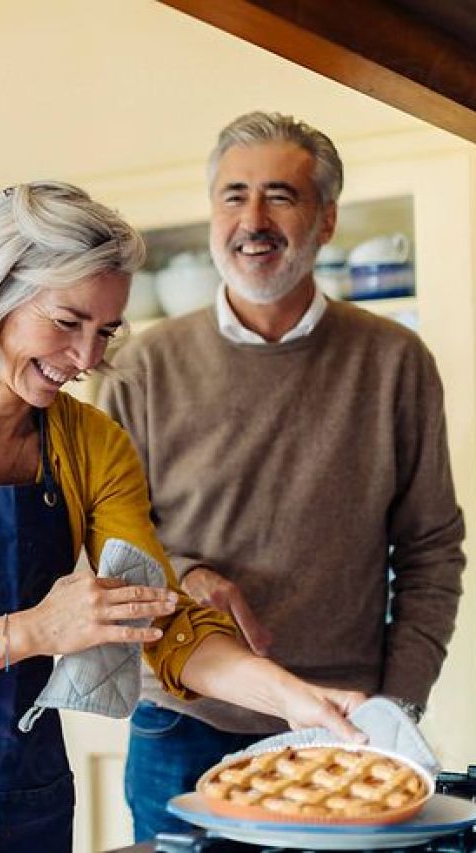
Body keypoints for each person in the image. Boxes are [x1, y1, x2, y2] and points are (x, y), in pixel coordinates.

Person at [0, 180, 367, 851]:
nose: (87, 359)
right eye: (67, 322)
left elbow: (158, 616)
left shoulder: (92, 443)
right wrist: (32, 630)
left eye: (105, 330)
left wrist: (293, 699)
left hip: (30, 796)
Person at [98, 112, 466, 841]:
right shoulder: (142, 366)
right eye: (233, 195)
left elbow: (431, 551)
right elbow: (107, 550)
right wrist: (191, 575)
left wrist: (396, 703)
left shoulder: (395, 362)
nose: (252, 220)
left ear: (326, 220)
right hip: (180, 723)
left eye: (280, 196)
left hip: (345, 727)